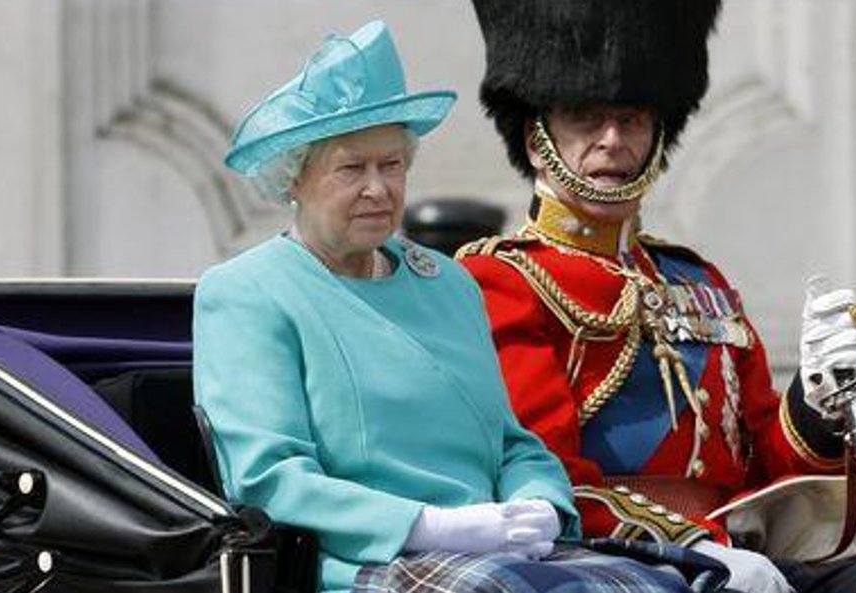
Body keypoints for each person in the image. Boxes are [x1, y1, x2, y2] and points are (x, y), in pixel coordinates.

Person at [193, 20, 729, 593]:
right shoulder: (248, 291)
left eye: (391, 165)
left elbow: (512, 444)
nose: (378, 188)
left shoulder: (447, 281)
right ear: (294, 179)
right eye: (351, 168)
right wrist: (428, 526)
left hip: (496, 550)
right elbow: (267, 479)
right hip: (363, 564)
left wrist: (539, 503)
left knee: (680, 584)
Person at [457, 1, 856, 592]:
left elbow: (769, 471)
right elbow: (545, 475)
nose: (612, 141)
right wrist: (692, 546)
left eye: (631, 119)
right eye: (585, 118)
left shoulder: (699, 281)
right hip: (611, 561)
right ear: (536, 139)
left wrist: (815, 402)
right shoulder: (501, 280)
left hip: (742, 554)